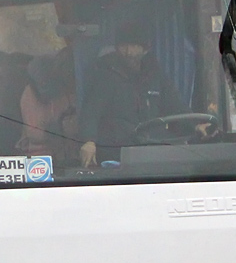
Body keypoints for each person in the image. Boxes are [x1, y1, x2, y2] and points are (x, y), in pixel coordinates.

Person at [78, 20, 186, 167]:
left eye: (134, 46)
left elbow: (176, 108)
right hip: (117, 156)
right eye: (123, 46)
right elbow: (91, 112)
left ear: (145, 49)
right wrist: (89, 141)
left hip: (156, 155)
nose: (128, 52)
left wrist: (197, 126)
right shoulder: (105, 76)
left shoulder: (156, 75)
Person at [17, 46, 81, 166]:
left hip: (71, 159)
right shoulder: (30, 92)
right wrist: (60, 130)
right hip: (38, 161)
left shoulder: (74, 92)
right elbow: (34, 133)